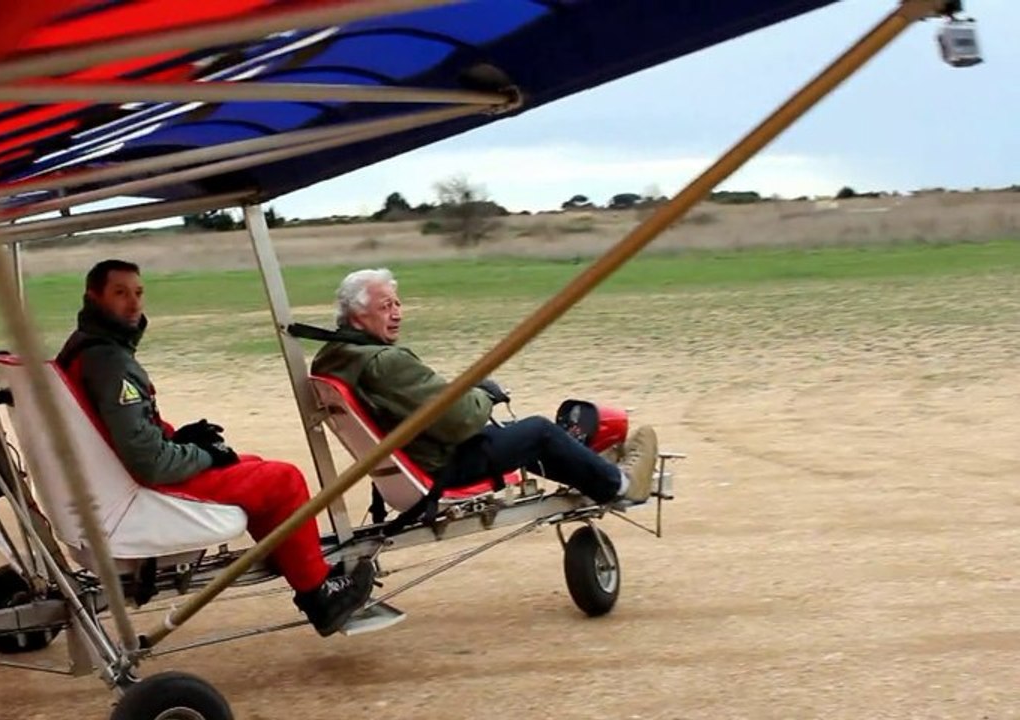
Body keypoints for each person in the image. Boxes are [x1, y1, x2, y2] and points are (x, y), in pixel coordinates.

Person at [56, 259, 372, 637]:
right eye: (120, 293)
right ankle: (320, 594)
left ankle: (302, 567)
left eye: (138, 292)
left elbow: (128, 431)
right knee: (284, 480)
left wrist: (180, 439)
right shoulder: (110, 363)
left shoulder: (86, 349)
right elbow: (150, 462)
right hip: (139, 487)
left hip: (113, 480)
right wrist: (204, 454)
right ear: (94, 297)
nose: (134, 303)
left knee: (250, 463)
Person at [310, 268, 659, 511]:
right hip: (442, 465)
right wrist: (484, 395)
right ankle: (622, 486)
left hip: (413, 460)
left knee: (519, 434)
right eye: (385, 306)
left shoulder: (335, 357)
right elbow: (460, 419)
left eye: (397, 303)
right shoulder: (382, 361)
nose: (397, 313)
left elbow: (419, 402)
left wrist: (463, 391)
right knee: (538, 431)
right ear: (357, 317)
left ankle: (593, 469)